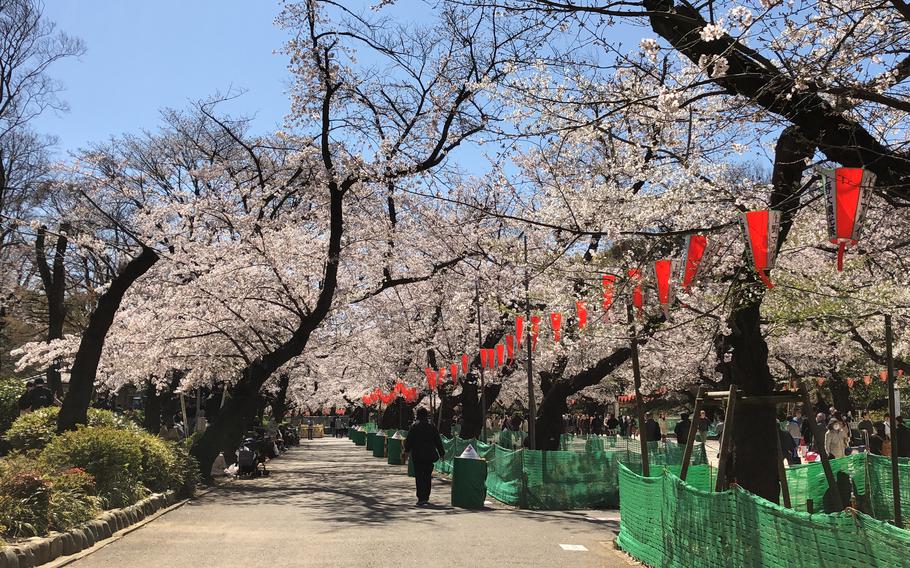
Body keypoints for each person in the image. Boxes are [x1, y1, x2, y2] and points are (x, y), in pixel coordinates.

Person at [404, 407, 445, 506]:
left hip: (417, 455)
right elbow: (437, 440)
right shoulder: (432, 426)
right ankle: (426, 496)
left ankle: (421, 497)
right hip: (429, 455)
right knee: (427, 476)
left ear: (417, 415)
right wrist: (441, 453)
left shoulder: (414, 426)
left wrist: (406, 451)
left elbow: (409, 440)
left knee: (419, 476)